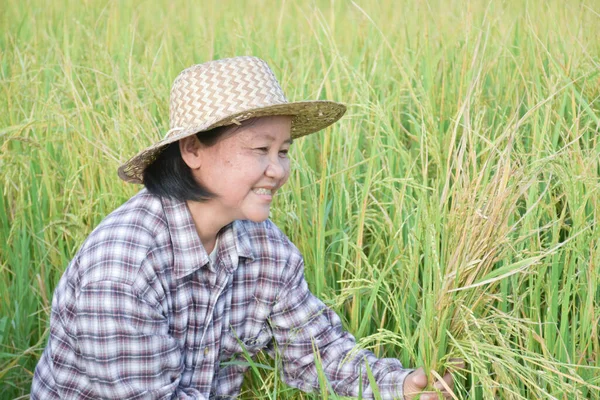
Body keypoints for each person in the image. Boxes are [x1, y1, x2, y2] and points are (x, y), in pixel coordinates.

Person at [31, 56, 461, 399]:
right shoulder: (122, 269)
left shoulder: (263, 246)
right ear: (193, 149)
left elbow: (315, 350)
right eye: (260, 149)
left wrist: (396, 386)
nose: (277, 170)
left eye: (284, 151)